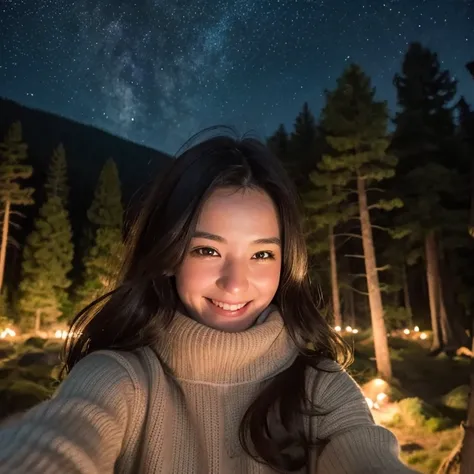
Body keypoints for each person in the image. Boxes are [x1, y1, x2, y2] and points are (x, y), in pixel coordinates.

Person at [0, 126, 417, 474]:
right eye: (208, 250)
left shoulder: (320, 387)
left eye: (261, 254)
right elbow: (58, 442)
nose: (235, 284)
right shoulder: (121, 378)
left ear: (286, 263)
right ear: (169, 254)